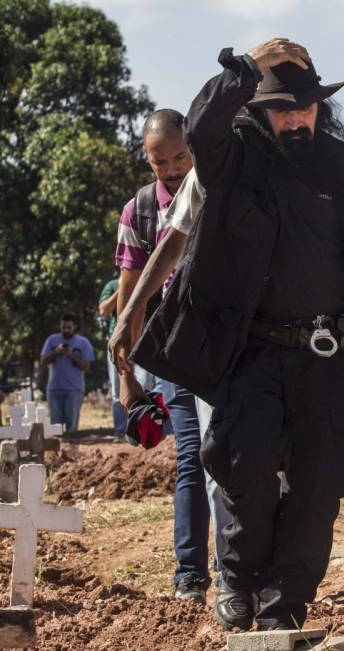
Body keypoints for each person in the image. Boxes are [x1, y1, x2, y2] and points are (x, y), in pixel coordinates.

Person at [132, 38, 344, 632]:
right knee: (243, 471)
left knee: (317, 482)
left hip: (327, 355)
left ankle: (287, 603)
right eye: (282, 108)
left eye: (306, 107)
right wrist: (246, 66)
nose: (297, 118)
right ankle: (239, 581)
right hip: (251, 353)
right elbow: (199, 127)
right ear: (257, 108)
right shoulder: (233, 158)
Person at [113, 109, 212, 602]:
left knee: (241, 452)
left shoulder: (217, 192)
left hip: (227, 339)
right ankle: (190, 572)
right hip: (175, 346)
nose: (171, 169)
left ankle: (251, 566)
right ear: (146, 159)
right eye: (159, 161)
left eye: (179, 157)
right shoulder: (140, 212)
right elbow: (131, 296)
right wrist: (127, 376)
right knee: (192, 453)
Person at [38, 314, 94, 433]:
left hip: (74, 389)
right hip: (54, 388)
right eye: (63, 327)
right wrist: (56, 352)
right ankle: (56, 451)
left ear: (74, 327)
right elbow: (43, 361)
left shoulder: (83, 342)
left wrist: (70, 355)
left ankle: (73, 450)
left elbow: (86, 366)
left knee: (71, 428)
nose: (66, 330)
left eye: (69, 327)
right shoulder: (52, 340)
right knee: (55, 429)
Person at [98, 277, 126, 436]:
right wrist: (121, 290)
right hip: (116, 344)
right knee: (117, 390)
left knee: (145, 386)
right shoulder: (112, 284)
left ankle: (142, 432)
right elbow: (103, 310)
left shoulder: (143, 279)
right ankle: (121, 431)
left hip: (140, 342)